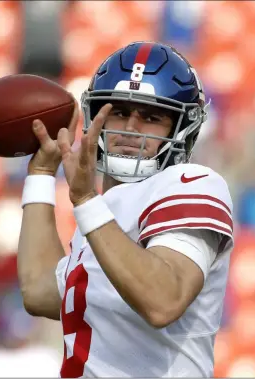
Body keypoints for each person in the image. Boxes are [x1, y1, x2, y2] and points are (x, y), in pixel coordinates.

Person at [17, 41, 234, 378]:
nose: (130, 129)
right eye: (118, 111)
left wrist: (87, 202)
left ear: (182, 129)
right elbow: (39, 290)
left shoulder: (192, 182)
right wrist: (42, 175)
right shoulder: (104, 215)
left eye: (151, 117)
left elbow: (163, 300)